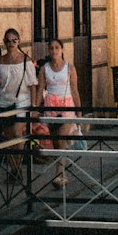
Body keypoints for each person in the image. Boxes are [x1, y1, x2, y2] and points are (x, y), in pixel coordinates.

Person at [35, 38, 81, 185]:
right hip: (51, 108)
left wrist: (79, 111)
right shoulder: (44, 69)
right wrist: (36, 109)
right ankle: (61, 173)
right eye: (51, 48)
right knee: (56, 141)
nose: (54, 51)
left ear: (62, 50)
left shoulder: (69, 68)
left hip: (67, 107)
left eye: (57, 48)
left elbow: (75, 90)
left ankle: (60, 175)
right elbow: (40, 89)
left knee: (61, 137)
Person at [0, 29, 37, 141]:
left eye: (14, 40)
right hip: (4, 102)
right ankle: (15, 159)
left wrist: (33, 106)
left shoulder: (25, 61)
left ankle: (19, 158)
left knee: (16, 132)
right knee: (8, 135)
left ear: (18, 41)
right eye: (8, 41)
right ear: (4, 42)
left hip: (22, 102)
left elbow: (32, 84)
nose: (11, 44)